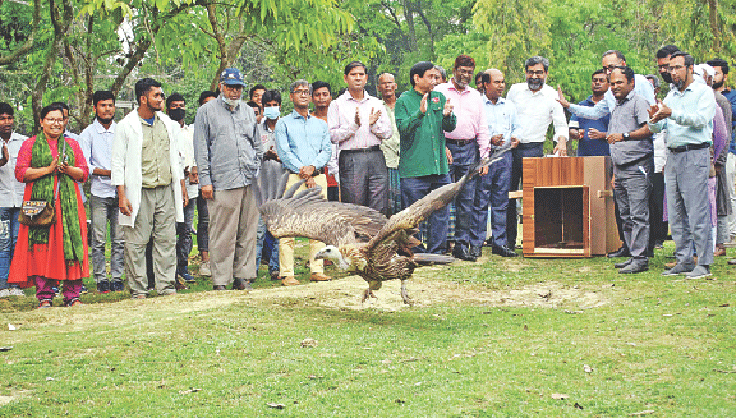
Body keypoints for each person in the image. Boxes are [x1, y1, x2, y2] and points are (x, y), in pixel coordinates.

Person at [111, 77, 187, 298]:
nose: (161, 99)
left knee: (166, 240)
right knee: (136, 242)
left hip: (165, 190)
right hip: (140, 191)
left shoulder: (168, 124)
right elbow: (118, 163)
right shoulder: (126, 126)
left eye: (161, 95)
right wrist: (122, 196)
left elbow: (178, 159)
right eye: (157, 95)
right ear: (143, 99)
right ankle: (138, 289)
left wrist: (181, 188)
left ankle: (166, 286)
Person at [9, 104, 89, 307]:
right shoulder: (29, 145)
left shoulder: (72, 145)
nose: (56, 123)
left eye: (60, 119)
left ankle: (73, 295)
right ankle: (45, 295)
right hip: (40, 206)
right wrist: (49, 169)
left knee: (70, 245)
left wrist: (69, 169)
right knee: (41, 248)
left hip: (68, 206)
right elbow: (21, 173)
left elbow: (84, 174)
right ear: (41, 122)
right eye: (51, 119)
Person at [193, 68, 263, 290]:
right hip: (222, 180)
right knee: (222, 233)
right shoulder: (206, 112)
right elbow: (201, 149)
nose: (235, 92)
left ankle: (243, 276)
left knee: (247, 231)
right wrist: (205, 180)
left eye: (239, 88)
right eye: (231, 87)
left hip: (248, 180)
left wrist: (256, 169)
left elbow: (257, 145)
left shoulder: (248, 111)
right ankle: (221, 280)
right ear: (222, 86)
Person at [649, 51, 716, 278]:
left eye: (677, 67)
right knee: (676, 213)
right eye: (670, 68)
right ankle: (684, 259)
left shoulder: (703, 93)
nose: (673, 72)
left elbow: (701, 120)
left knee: (697, 211)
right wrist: (654, 119)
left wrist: (672, 114)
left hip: (695, 153)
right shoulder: (671, 96)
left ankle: (703, 263)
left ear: (690, 68)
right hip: (673, 155)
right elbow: (659, 127)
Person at [506, 56, 568, 250]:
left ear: (546, 74)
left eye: (539, 72)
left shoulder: (552, 95)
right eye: (531, 72)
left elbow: (560, 123)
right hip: (511, 149)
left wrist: (562, 140)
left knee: (536, 197)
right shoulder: (515, 90)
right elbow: (505, 115)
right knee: (508, 196)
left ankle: (536, 240)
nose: (534, 76)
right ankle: (507, 241)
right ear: (525, 73)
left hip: (534, 149)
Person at [395, 61, 456, 254]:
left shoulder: (439, 97)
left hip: (439, 168)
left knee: (440, 211)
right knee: (414, 214)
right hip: (414, 170)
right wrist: (419, 113)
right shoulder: (403, 100)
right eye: (430, 76)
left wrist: (448, 116)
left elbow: (449, 128)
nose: (435, 80)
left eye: (436, 77)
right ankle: (417, 252)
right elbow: (403, 129)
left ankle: (437, 251)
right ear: (417, 78)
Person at [275, 80, 333, 285]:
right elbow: (284, 151)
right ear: (291, 97)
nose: (302, 95)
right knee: (289, 225)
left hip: (317, 177)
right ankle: (287, 273)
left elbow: (326, 150)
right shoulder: (283, 123)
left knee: (317, 224)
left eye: (306, 92)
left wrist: (312, 169)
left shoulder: (320, 124)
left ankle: (317, 269)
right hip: (293, 177)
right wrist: (303, 171)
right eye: (298, 92)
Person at [435, 55, 491, 261]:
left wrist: (484, 157)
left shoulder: (476, 95)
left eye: (469, 72)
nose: (466, 75)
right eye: (462, 71)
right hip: (446, 149)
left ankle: (461, 244)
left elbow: (482, 126)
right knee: (443, 198)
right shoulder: (440, 91)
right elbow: (433, 124)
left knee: (467, 200)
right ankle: (439, 246)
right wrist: (441, 146)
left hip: (469, 150)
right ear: (454, 69)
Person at [605, 66, 654, 274]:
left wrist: (624, 136)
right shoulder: (616, 106)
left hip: (637, 166)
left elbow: (648, 129)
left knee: (638, 214)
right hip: (621, 168)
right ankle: (632, 253)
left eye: (619, 83)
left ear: (631, 83)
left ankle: (640, 258)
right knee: (625, 214)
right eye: (612, 83)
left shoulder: (639, 102)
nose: (615, 87)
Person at [328, 61, 392, 215]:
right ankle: (358, 238)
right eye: (353, 74)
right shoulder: (337, 104)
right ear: (345, 78)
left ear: (366, 78)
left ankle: (376, 237)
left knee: (379, 202)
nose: (357, 78)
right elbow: (332, 136)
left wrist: (373, 126)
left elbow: (388, 132)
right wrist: (353, 126)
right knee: (354, 203)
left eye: (361, 75)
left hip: (376, 155)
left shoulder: (376, 103)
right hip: (351, 157)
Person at [470, 69, 519, 259]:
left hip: (505, 156)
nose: (501, 86)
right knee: (480, 201)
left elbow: (517, 127)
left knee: (501, 201)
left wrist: (516, 138)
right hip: (484, 156)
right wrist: (490, 139)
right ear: (485, 84)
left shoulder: (510, 106)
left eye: (503, 82)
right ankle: (476, 243)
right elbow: (472, 130)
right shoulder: (477, 105)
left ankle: (500, 242)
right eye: (497, 82)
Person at [79, 90, 124, 293]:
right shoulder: (87, 134)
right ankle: (100, 278)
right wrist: (107, 172)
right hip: (99, 192)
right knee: (98, 238)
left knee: (119, 238)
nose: (107, 109)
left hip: (120, 191)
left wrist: (119, 175)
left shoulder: (122, 130)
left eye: (110, 105)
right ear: (95, 108)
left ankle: (117, 276)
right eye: (103, 105)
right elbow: (85, 166)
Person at [166, 92, 198, 290]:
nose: (179, 109)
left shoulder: (191, 131)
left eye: (182, 105)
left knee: (186, 230)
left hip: (191, 186)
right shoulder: (166, 129)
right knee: (170, 230)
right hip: (171, 187)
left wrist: (193, 169)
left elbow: (195, 154)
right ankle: (170, 269)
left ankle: (183, 266)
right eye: (175, 106)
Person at [255, 89, 285, 281]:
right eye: (268, 106)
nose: (272, 109)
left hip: (282, 184)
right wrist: (264, 155)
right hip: (260, 186)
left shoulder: (286, 127)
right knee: (257, 229)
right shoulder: (256, 129)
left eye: (275, 105)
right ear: (263, 107)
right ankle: (252, 268)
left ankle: (276, 267)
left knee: (279, 229)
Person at [0, 102, 27, 298]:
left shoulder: (24, 141)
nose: (6, 122)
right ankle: (3, 284)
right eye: (2, 118)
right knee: (3, 241)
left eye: (9, 118)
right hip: (1, 201)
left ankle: (16, 283)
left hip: (20, 200)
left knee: (18, 241)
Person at [195, 91, 218, 276]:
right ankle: (205, 260)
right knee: (204, 220)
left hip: (225, 180)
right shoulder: (197, 128)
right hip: (205, 181)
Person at [645, 74, 668, 250]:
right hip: (642, 160)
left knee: (658, 200)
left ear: (657, 90)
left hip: (659, 160)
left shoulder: (664, 108)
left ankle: (660, 236)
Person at [377, 73, 402, 216]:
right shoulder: (376, 107)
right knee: (386, 201)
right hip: (385, 160)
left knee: (405, 200)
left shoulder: (403, 105)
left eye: (390, 83)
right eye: (383, 83)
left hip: (404, 159)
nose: (387, 86)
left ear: (395, 86)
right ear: (378, 88)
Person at [569, 69, 610, 156]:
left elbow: (619, 134)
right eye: (595, 80)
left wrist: (601, 135)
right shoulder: (581, 106)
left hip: (608, 157)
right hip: (584, 157)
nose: (597, 83)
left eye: (601, 81)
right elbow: (572, 129)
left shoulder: (612, 106)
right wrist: (576, 134)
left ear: (609, 84)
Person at [312, 81, 340, 202]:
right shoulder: (308, 120)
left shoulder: (339, 119)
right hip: (317, 175)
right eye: (317, 94)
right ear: (312, 98)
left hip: (338, 174)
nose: (321, 98)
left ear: (330, 97)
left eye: (324, 94)